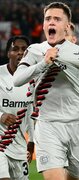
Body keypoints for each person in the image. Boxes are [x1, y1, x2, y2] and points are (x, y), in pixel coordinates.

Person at [13, 2, 79, 180]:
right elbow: (17, 80)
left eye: (57, 19)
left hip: (78, 126)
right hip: (47, 126)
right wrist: (44, 63)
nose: (51, 22)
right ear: (44, 24)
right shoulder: (35, 50)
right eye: (48, 19)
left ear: (67, 26)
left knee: (75, 177)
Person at [0, 35, 34, 180]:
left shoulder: (33, 79)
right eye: (15, 49)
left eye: (24, 49)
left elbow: (31, 112)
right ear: (8, 53)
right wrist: (1, 116)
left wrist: (31, 141)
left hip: (19, 146)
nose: (20, 52)